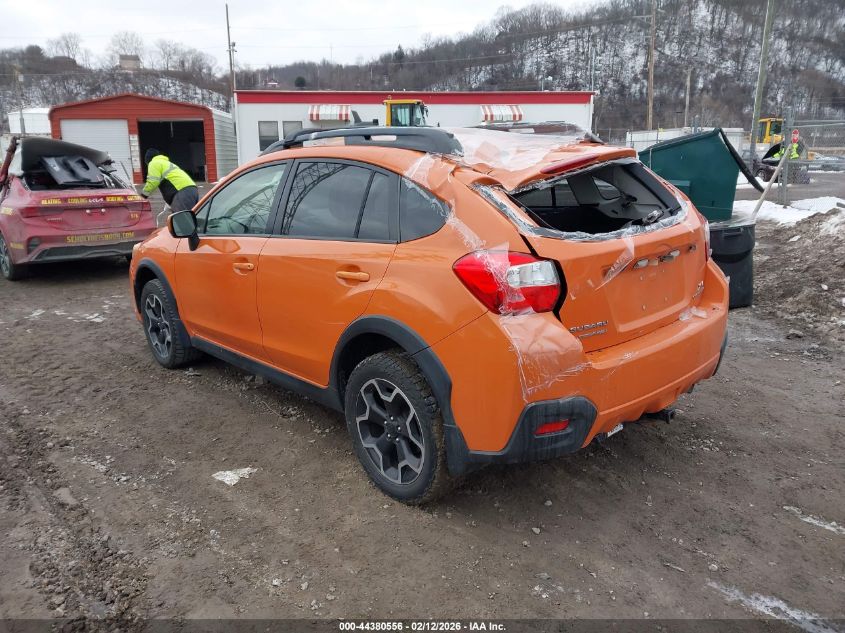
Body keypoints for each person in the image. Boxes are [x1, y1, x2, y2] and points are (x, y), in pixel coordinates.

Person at [140, 148, 198, 213]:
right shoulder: (167, 163)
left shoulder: (153, 163)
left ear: (148, 160)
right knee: (191, 218)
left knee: (182, 220)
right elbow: (171, 179)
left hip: (181, 192)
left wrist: (143, 196)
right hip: (192, 190)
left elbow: (153, 181)